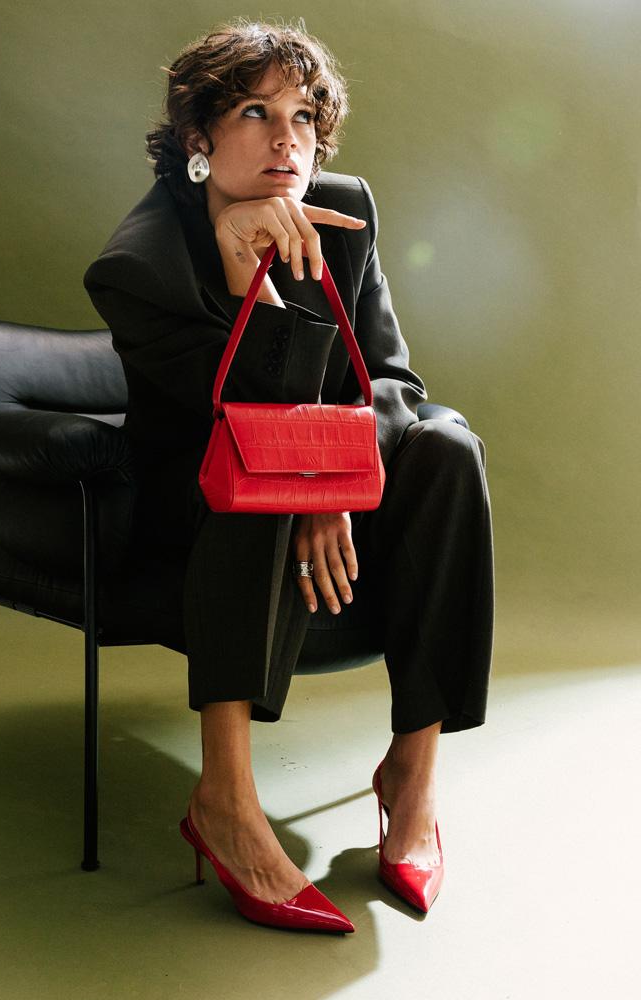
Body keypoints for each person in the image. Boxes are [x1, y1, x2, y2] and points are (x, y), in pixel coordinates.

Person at [83, 18, 494, 931]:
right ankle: (224, 803)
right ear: (198, 135)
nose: (288, 140)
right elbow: (239, 420)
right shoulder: (138, 264)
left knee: (447, 447)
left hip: (333, 483)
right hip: (201, 496)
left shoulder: (342, 213)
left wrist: (332, 483)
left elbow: (393, 382)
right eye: (255, 113)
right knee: (258, 474)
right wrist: (246, 276)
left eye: (304, 116)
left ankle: (412, 774)